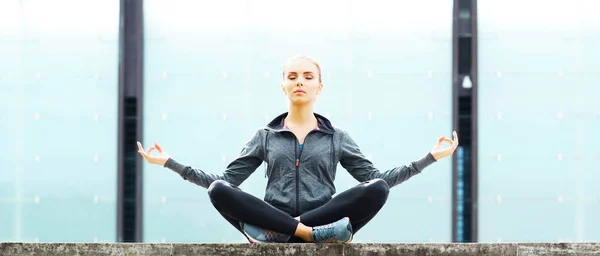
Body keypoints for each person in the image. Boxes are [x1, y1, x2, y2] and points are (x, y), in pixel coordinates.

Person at [137, 55, 459, 244]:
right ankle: (304, 233)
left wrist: (428, 158)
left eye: (308, 76)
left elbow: (377, 178)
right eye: (292, 77)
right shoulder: (265, 136)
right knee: (219, 190)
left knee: (376, 189)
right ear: (283, 86)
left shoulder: (337, 137)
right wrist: (170, 163)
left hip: (313, 221)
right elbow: (224, 181)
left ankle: (298, 231)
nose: (300, 82)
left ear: (320, 86)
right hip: (275, 221)